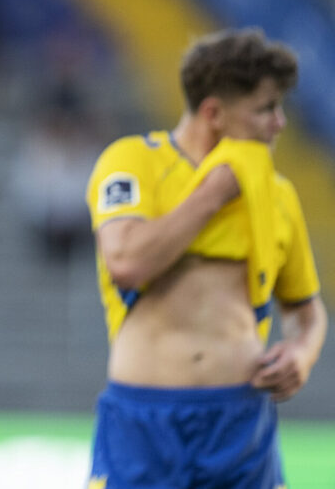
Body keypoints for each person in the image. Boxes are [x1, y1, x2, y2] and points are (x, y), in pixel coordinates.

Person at [84, 28, 328, 488]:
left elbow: (306, 310)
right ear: (215, 113)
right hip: (144, 422)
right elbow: (127, 262)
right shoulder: (133, 162)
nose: (279, 123)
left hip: (239, 422)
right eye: (265, 108)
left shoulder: (277, 195)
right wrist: (214, 193)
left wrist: (302, 352)